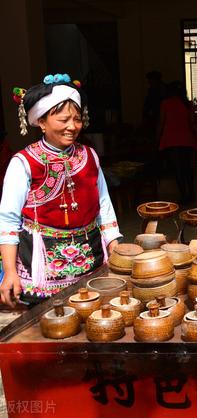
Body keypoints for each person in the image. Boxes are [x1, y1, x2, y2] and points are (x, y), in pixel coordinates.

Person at [0, 74, 122, 306]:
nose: (72, 126)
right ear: (41, 122)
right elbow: (7, 221)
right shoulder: (23, 162)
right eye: (64, 119)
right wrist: (9, 272)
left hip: (91, 257)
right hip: (41, 266)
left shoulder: (89, 155)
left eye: (77, 119)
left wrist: (114, 246)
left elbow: (103, 206)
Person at [157, 81, 197, 204]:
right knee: (188, 168)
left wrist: (157, 138)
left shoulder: (165, 103)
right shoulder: (188, 104)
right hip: (187, 140)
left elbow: (161, 122)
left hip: (171, 141)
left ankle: (183, 195)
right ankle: (191, 194)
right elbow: (193, 123)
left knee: (178, 170)